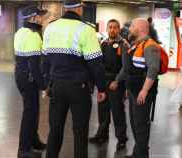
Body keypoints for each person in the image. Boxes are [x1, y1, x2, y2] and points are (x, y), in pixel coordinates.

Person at [41, 0, 106, 158]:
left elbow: (45, 61)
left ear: (65, 8)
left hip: (56, 86)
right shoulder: (86, 29)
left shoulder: (51, 27)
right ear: (78, 8)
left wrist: (47, 85)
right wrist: (102, 87)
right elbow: (95, 63)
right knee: (80, 130)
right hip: (79, 88)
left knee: (55, 129)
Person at [89, 19, 128, 151]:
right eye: (110, 27)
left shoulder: (123, 44)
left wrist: (117, 81)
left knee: (118, 112)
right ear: (107, 29)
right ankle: (102, 135)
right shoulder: (103, 44)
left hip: (116, 83)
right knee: (103, 110)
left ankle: (122, 139)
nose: (112, 30)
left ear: (119, 29)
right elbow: (99, 64)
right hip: (104, 82)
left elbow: (125, 67)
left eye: (115, 27)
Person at [123, 18, 161, 158]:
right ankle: (137, 154)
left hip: (143, 93)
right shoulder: (136, 44)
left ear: (140, 29)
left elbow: (153, 69)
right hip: (134, 91)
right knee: (134, 123)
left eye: (132, 26)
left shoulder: (150, 46)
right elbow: (132, 69)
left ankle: (142, 155)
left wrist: (144, 91)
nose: (130, 29)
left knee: (141, 126)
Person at [14, 5, 47, 158]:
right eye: (40, 16)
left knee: (33, 110)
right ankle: (24, 148)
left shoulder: (20, 32)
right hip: (29, 78)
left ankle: (34, 141)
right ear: (33, 18)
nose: (42, 18)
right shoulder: (33, 35)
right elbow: (34, 65)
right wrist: (44, 86)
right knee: (30, 112)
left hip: (20, 76)